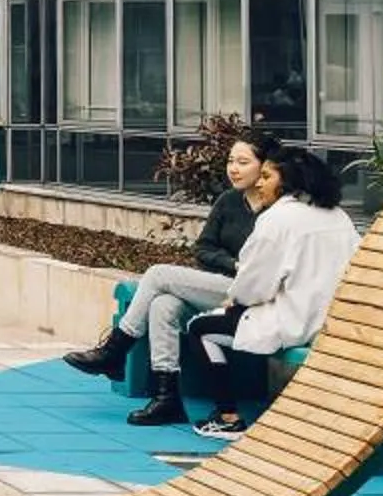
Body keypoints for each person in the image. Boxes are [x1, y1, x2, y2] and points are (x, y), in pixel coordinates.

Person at [64, 130, 279, 426]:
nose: (233, 168)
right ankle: (168, 398)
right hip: (220, 287)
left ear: (266, 167)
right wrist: (233, 263)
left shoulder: (281, 211)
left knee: (157, 275)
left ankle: (114, 351)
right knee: (163, 304)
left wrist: (245, 271)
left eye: (243, 162)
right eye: (231, 161)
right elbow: (203, 249)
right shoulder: (229, 201)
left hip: (252, 295)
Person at [185, 146, 359, 440]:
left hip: (295, 322)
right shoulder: (338, 216)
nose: (260, 183)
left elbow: (253, 285)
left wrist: (235, 301)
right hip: (334, 319)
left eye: (266, 176)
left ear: (287, 180)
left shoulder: (277, 220)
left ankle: (228, 417)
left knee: (200, 329)